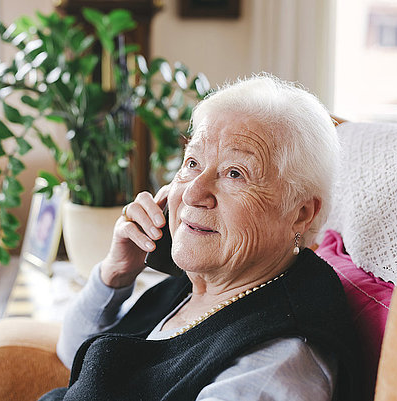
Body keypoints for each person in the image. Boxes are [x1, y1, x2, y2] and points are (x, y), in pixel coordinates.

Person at [39, 74, 363, 401]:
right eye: (192, 162)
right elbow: (72, 355)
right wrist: (115, 274)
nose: (193, 192)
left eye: (235, 173)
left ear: (301, 213)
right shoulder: (201, 282)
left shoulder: (272, 364)